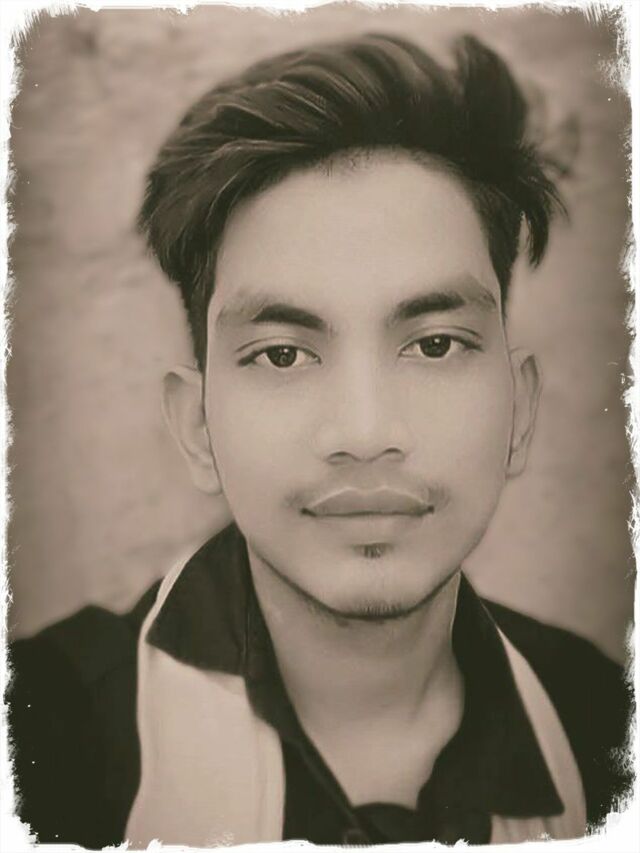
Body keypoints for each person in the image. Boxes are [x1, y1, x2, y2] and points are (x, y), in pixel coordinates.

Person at [8, 32, 631, 848]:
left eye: (434, 344)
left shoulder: (602, 719)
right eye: (282, 354)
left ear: (519, 409)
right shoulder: (41, 739)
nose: (365, 434)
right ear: (197, 426)